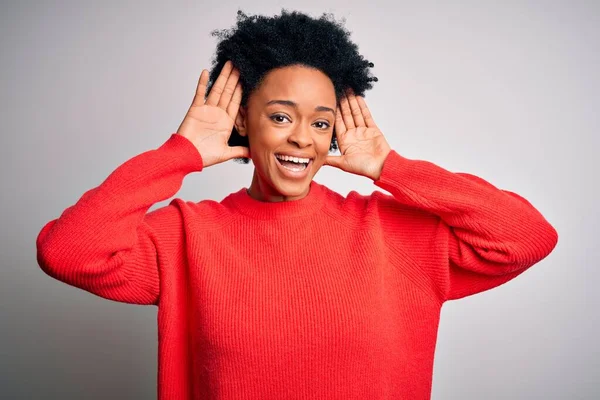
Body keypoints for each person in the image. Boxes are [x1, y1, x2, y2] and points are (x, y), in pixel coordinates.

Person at [35, 9, 558, 400]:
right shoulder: (187, 236)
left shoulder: (389, 233)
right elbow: (69, 252)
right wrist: (181, 154)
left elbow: (527, 237)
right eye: (281, 117)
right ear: (243, 119)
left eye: (321, 122)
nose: (303, 139)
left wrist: (390, 168)